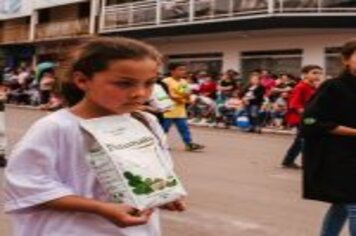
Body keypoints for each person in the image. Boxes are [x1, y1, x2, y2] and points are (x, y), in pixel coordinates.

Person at [4, 37, 185, 236]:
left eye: (150, 83)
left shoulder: (146, 121)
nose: (140, 93)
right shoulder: (57, 127)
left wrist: (161, 194)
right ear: (82, 80)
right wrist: (100, 208)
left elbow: (155, 171)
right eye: (124, 84)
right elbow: (28, 184)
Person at [301, 39, 356, 236]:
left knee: (341, 206)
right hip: (337, 157)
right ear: (346, 60)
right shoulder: (332, 87)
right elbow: (309, 122)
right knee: (354, 206)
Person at [281, 65, 322, 169]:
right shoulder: (301, 87)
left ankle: (288, 161)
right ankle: (307, 163)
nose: (318, 75)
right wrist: (306, 116)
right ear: (305, 74)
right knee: (306, 140)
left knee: (300, 140)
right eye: (314, 73)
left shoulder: (313, 87)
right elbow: (294, 104)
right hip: (301, 118)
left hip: (309, 117)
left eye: (319, 73)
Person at [162, 63, 205, 151]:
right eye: (180, 69)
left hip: (180, 109)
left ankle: (189, 144)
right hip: (167, 109)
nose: (183, 72)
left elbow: (186, 94)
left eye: (184, 69)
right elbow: (167, 95)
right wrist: (180, 98)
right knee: (164, 129)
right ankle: (161, 144)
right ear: (172, 71)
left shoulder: (183, 81)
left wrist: (185, 98)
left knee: (184, 128)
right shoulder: (166, 81)